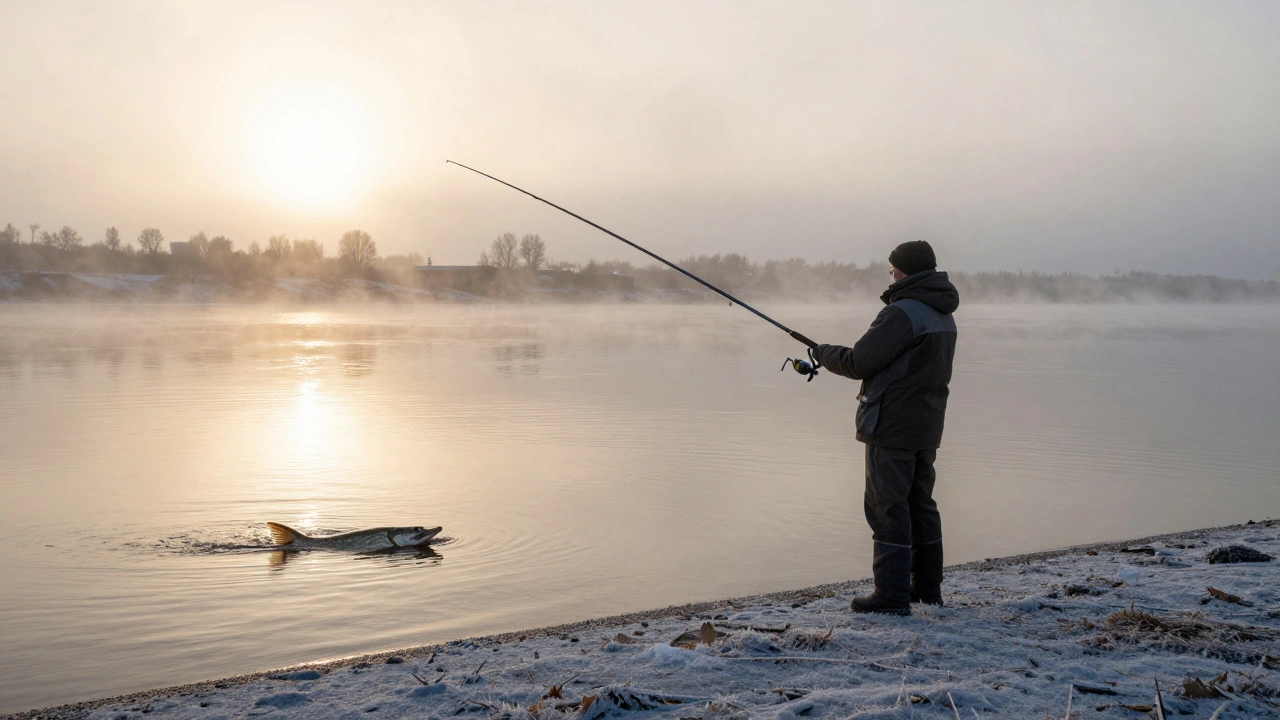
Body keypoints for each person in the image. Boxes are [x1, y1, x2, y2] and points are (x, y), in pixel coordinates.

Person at [812, 240, 958, 615]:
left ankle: (891, 596)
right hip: (926, 424)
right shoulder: (942, 311)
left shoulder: (902, 313)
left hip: (891, 425)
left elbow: (860, 361)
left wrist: (823, 352)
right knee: (920, 505)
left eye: (892, 267)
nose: (890, 273)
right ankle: (927, 588)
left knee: (887, 507)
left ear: (904, 269)